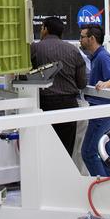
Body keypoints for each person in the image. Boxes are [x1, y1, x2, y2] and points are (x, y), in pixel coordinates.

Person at [31, 16, 87, 156]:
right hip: (68, 105)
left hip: (43, 105)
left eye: (41, 28)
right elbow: (82, 83)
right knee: (66, 151)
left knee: (43, 149)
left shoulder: (35, 48)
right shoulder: (73, 50)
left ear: (45, 29)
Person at [80, 24, 110, 176]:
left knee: (88, 152)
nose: (80, 40)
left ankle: (103, 185)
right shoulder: (95, 57)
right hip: (102, 112)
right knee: (106, 153)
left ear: (92, 39)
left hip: (102, 114)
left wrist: (104, 84)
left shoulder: (102, 57)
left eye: (82, 37)